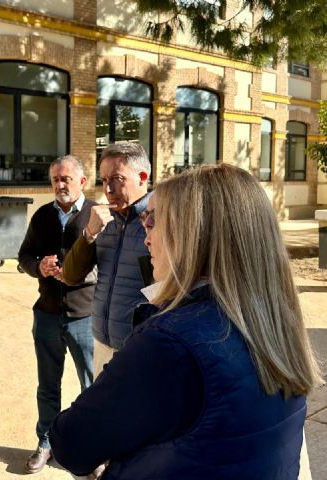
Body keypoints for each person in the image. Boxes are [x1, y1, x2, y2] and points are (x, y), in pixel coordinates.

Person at [50, 164, 323, 479]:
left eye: (153, 219)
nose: (146, 236)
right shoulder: (273, 318)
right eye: (143, 219)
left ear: (194, 233)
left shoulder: (172, 341)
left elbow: (71, 442)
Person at [17, 155, 97, 474]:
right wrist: (39, 267)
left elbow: (110, 263)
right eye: (55, 180)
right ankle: (46, 442)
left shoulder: (97, 215)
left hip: (84, 316)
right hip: (47, 315)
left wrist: (79, 276)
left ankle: (93, 447)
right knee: (47, 385)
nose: (60, 185)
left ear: (82, 180)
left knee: (91, 386)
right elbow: (24, 256)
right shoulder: (41, 216)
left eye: (66, 178)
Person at [63, 142, 151, 376]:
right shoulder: (102, 219)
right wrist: (89, 234)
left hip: (141, 348)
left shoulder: (159, 219)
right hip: (102, 342)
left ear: (142, 177)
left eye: (117, 178)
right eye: (103, 180)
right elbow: (70, 276)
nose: (108, 189)